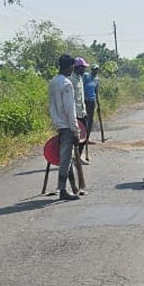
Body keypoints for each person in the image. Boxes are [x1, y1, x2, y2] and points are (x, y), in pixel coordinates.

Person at [48, 54, 81, 201]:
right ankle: (62, 190)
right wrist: (75, 130)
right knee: (66, 159)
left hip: (58, 124)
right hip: (67, 125)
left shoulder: (53, 81)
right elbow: (70, 109)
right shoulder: (66, 84)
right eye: (72, 67)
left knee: (66, 157)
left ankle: (73, 187)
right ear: (69, 67)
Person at [71, 57, 90, 167]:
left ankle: (78, 156)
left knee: (85, 136)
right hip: (75, 113)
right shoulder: (71, 79)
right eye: (83, 68)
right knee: (78, 137)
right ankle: (75, 157)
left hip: (82, 111)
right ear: (77, 68)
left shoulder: (80, 78)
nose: (84, 70)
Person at [83, 65, 100, 137]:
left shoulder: (96, 79)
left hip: (92, 101)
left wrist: (98, 104)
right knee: (84, 119)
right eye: (94, 69)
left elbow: (96, 91)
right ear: (91, 70)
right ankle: (83, 137)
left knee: (90, 120)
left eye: (96, 70)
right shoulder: (86, 76)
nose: (95, 71)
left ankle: (87, 137)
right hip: (85, 100)